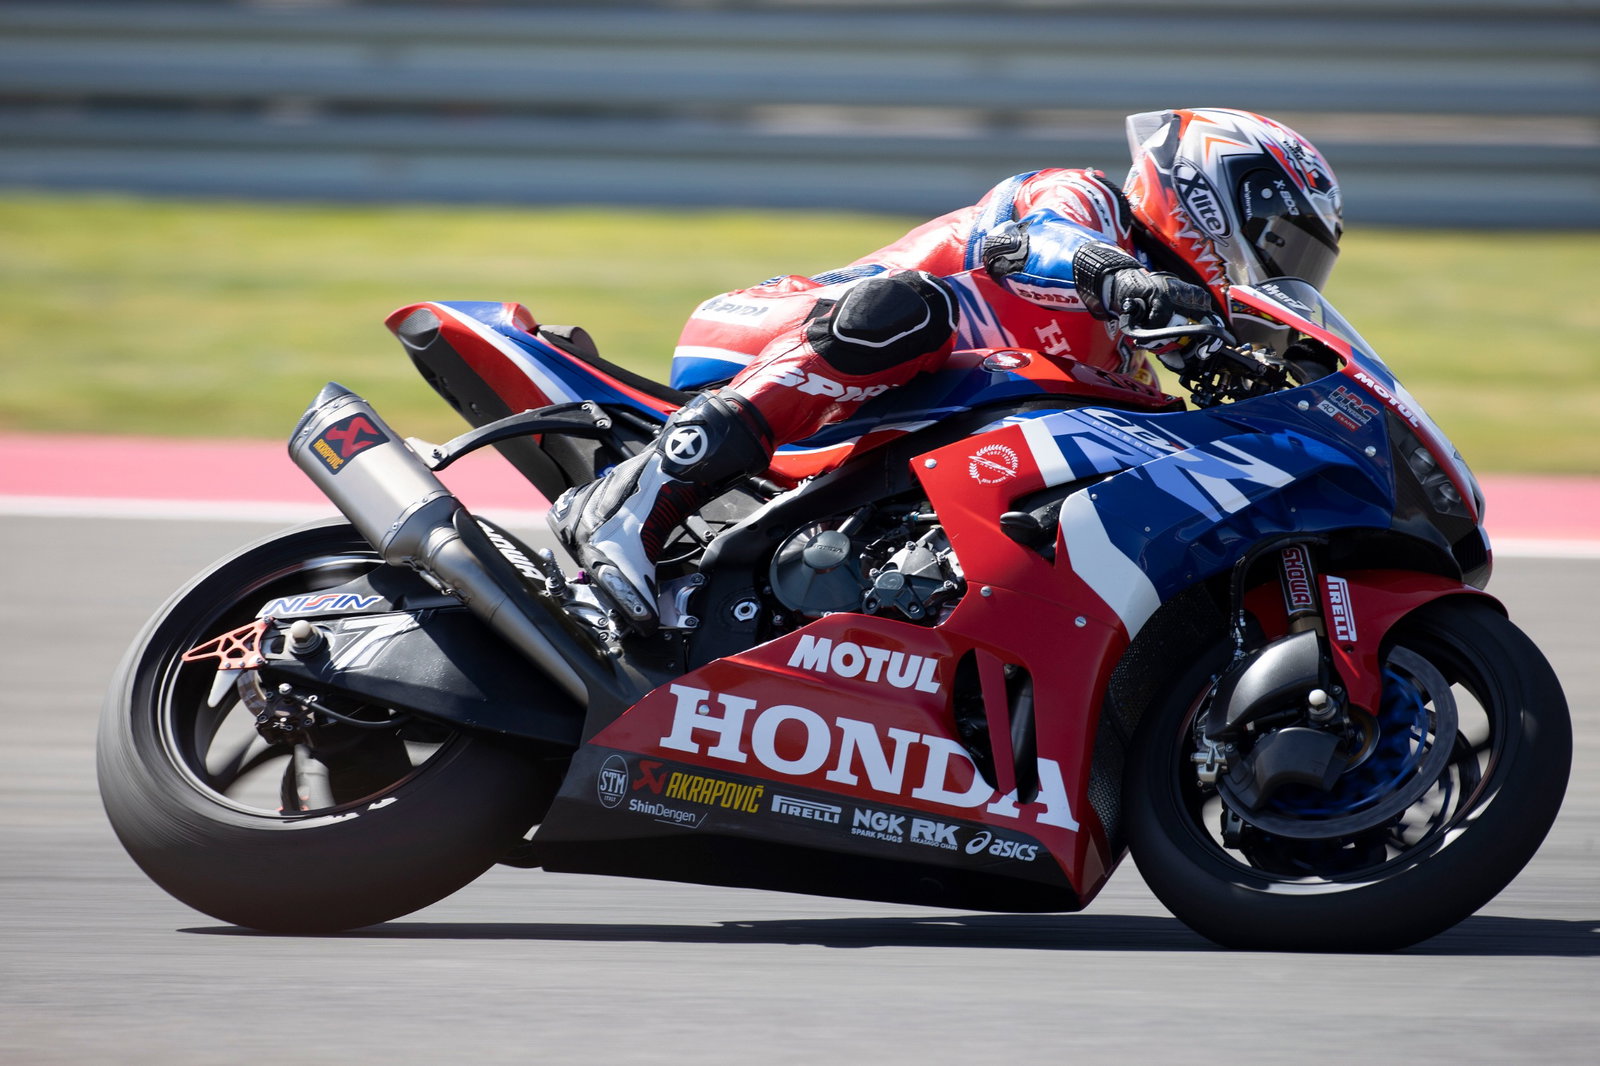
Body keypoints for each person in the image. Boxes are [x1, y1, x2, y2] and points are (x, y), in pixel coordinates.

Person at [550, 107, 1344, 631]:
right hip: (774, 333)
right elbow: (1023, 247)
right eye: (1281, 247)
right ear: (1209, 199)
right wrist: (1118, 274)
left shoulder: (1125, 360)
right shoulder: (1084, 202)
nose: (1277, 277)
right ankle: (626, 506)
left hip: (878, 420)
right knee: (912, 308)